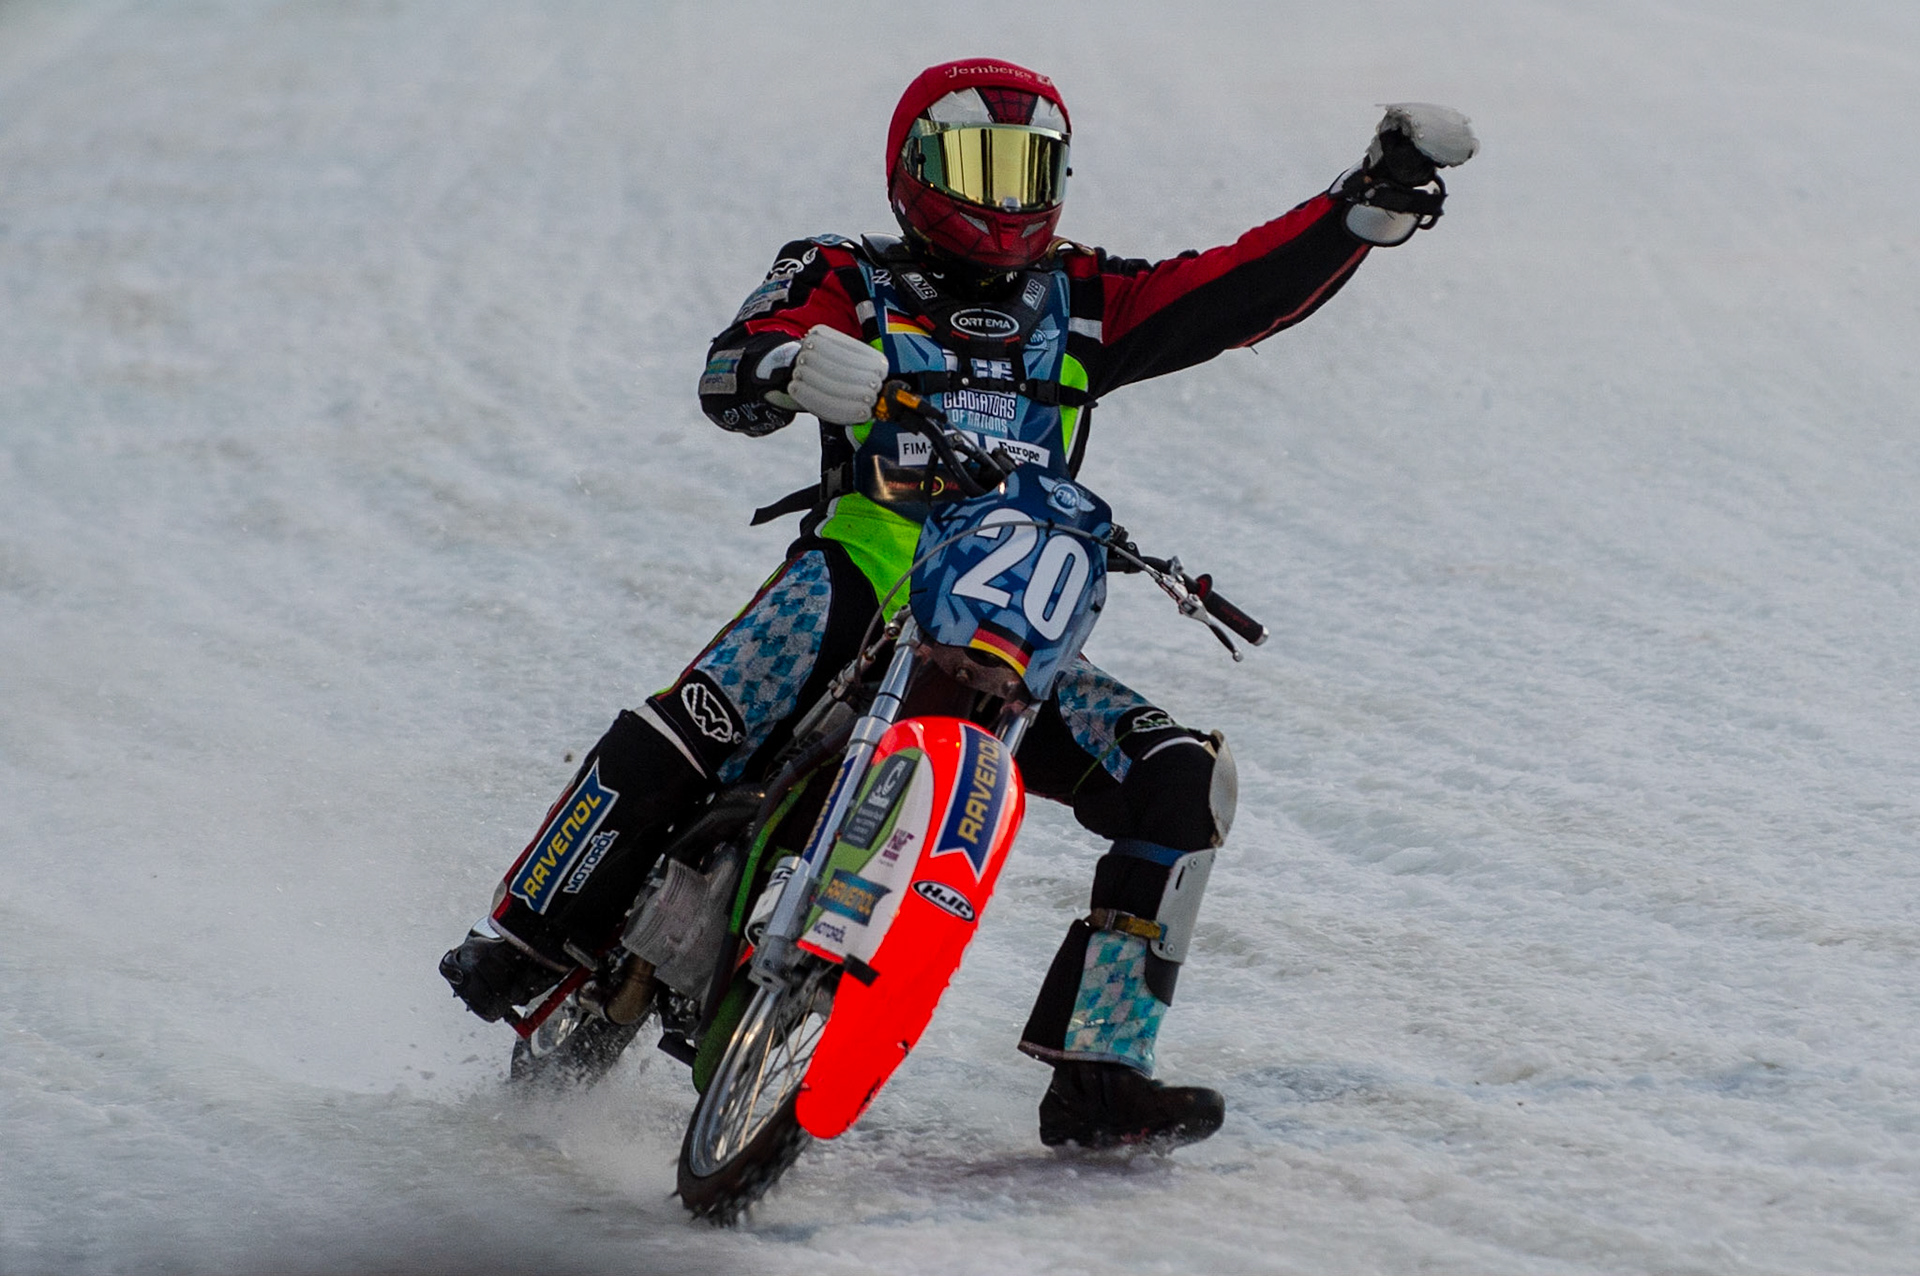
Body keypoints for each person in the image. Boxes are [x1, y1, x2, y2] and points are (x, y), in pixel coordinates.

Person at [442, 58, 1476, 1149]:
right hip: (871, 551)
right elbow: (729, 368)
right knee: (715, 709)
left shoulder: (1083, 297)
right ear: (911, 169)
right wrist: (792, 365)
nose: (1000, 195)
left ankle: (1101, 1069)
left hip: (1003, 603)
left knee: (1179, 778)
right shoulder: (843, 269)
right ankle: (530, 928)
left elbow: (1225, 290)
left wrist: (1363, 208)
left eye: (1027, 167)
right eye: (974, 165)